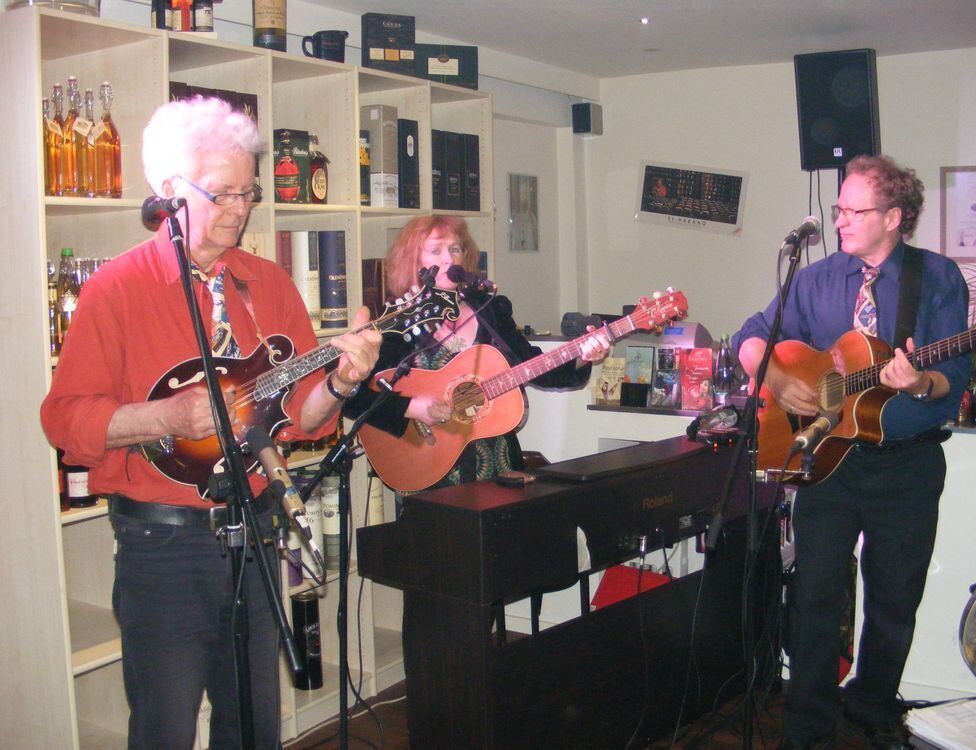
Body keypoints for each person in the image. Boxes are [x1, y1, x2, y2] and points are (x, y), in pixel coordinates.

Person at [40, 97, 382, 750]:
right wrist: (163, 416)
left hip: (252, 530)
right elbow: (64, 419)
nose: (239, 209)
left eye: (248, 193)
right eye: (221, 193)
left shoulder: (268, 282)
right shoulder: (116, 290)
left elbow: (305, 419)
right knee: (165, 725)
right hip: (161, 546)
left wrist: (343, 380)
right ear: (169, 191)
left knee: (253, 723)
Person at [732, 155, 971, 750]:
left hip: (907, 464)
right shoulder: (814, 278)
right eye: (838, 208)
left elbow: (953, 378)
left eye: (853, 210)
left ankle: (869, 710)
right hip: (826, 458)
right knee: (814, 594)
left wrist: (917, 382)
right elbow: (750, 335)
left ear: (893, 217)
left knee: (894, 598)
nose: (838, 219)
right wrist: (773, 381)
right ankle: (807, 729)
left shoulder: (936, 278)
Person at [345, 214, 610, 492]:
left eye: (455, 249)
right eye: (436, 251)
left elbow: (533, 366)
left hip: (499, 469)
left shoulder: (489, 310)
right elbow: (353, 398)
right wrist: (412, 408)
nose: (448, 259)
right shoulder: (397, 322)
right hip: (430, 473)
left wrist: (582, 356)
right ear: (414, 262)